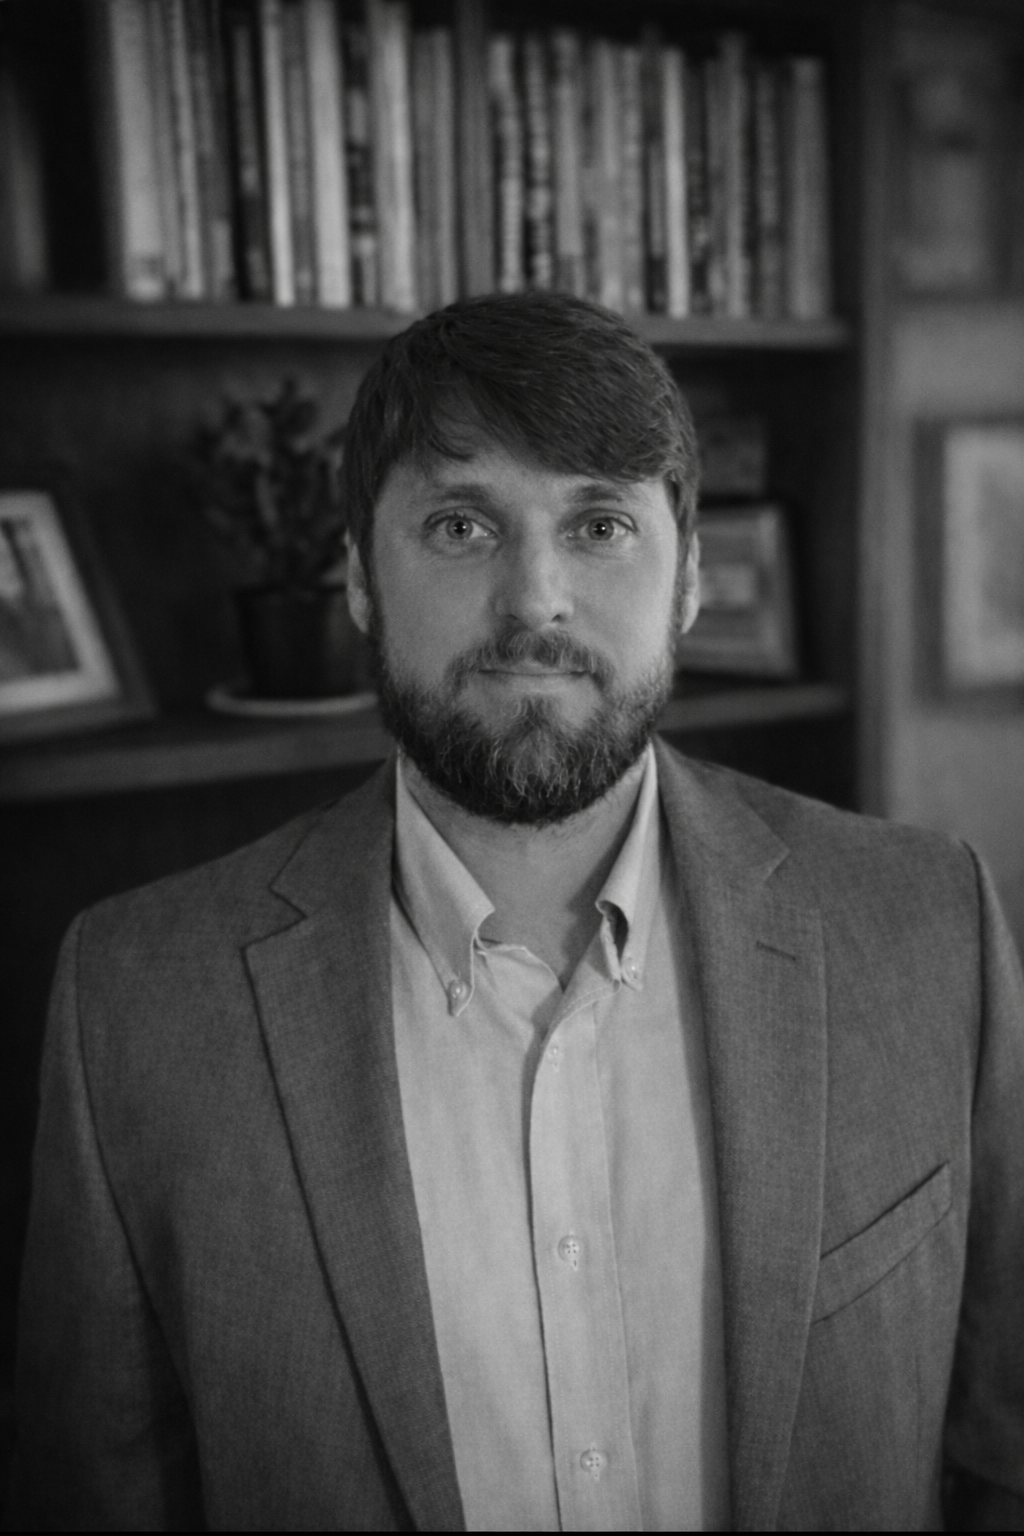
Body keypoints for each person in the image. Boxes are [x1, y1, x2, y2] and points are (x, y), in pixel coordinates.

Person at [7, 292, 1024, 1533]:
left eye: (600, 525)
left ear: (690, 581)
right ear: (360, 580)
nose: (534, 599)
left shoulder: (928, 928)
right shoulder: (134, 1000)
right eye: (460, 525)